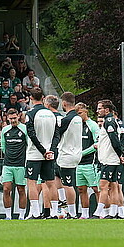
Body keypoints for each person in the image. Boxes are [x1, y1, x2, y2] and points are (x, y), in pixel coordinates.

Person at [24, 87, 58, 219]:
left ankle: (35, 212)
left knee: (32, 182)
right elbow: (57, 134)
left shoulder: (30, 113)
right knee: (50, 182)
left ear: (31, 98)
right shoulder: (51, 113)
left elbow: (31, 134)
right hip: (49, 153)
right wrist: (51, 150)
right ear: (43, 98)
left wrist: (43, 151)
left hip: (35, 153)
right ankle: (54, 212)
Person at [50, 91, 84, 219]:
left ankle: (72, 212)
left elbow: (56, 133)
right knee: (56, 176)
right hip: (74, 153)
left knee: (68, 185)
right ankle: (63, 203)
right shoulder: (78, 118)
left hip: (67, 154)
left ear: (64, 103)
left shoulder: (67, 119)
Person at [96, 99, 124, 219]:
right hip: (113, 159)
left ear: (107, 110)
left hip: (110, 159)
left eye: (99, 108)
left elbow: (114, 140)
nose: (97, 111)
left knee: (104, 186)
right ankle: (115, 212)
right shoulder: (115, 122)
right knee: (114, 186)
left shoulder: (109, 121)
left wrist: (120, 154)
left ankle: (99, 212)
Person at [0, 110, 29, 219]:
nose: (13, 121)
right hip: (7, 164)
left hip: (20, 164)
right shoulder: (5, 130)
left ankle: (21, 215)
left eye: (14, 118)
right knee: (6, 189)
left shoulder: (24, 129)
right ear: (7, 118)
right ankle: (8, 216)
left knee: (21, 189)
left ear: (18, 117)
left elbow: (28, 145)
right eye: (11, 119)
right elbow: (3, 146)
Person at [74, 103, 102, 219]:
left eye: (80, 113)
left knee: (96, 188)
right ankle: (84, 214)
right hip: (78, 163)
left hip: (90, 163)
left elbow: (97, 144)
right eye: (77, 114)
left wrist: (82, 153)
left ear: (86, 111)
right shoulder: (76, 125)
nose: (79, 116)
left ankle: (101, 212)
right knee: (81, 189)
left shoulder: (93, 125)